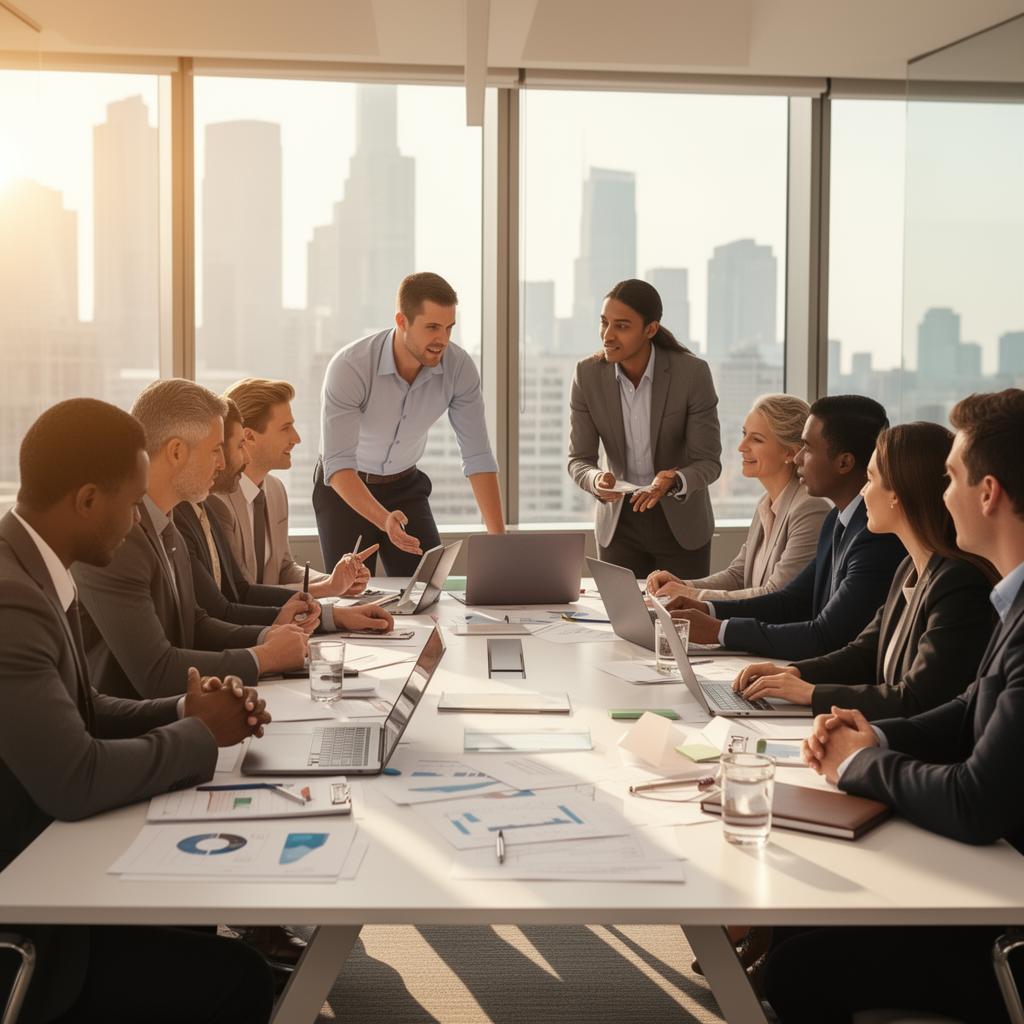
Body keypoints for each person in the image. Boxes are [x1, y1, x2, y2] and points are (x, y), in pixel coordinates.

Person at [0, 398, 275, 1024]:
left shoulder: (36, 569)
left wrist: (184, 704)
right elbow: (76, 779)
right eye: (129, 504)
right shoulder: (11, 602)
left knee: (197, 908)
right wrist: (199, 734)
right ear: (88, 499)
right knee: (239, 979)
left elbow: (85, 708)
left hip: (45, 863)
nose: (136, 521)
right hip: (29, 915)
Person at [763, 389, 1024, 1024]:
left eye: (953, 479)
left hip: (1002, 914)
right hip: (992, 876)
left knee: (797, 966)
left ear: (988, 493)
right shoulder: (1010, 603)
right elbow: (968, 708)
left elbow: (973, 801)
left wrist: (858, 764)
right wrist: (869, 736)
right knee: (793, 937)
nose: (943, 495)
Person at [732, 421, 997, 717]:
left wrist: (813, 693)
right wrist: (794, 673)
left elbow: (918, 698)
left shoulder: (958, 582)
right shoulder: (909, 567)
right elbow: (863, 653)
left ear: (897, 493)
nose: (863, 490)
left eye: (870, 480)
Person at [75, 379, 308, 700]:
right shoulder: (117, 535)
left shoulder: (166, 520)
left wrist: (269, 636)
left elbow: (193, 621)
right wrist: (264, 657)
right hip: (132, 728)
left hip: (177, 712)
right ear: (176, 452)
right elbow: (156, 672)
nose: (224, 463)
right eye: (215, 450)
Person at [667, 395, 906, 661]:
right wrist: (706, 608)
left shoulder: (874, 538)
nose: (799, 457)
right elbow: (790, 601)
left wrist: (720, 630)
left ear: (844, 463)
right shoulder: (836, 522)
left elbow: (826, 635)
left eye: (808, 448)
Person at [312, 271, 505, 574]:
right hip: (346, 488)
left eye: (448, 328)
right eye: (431, 327)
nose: (442, 339)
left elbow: (477, 455)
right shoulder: (351, 366)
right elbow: (337, 465)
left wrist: (500, 542)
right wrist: (384, 519)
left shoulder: (459, 368)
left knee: (427, 587)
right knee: (349, 596)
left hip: (405, 485)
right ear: (402, 322)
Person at [176, 398, 394, 635]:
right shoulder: (213, 505)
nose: (297, 438)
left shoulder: (270, 491)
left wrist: (334, 588)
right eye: (285, 428)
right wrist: (327, 593)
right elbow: (231, 603)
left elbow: (262, 580)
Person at [568, 278, 722, 579]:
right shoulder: (587, 375)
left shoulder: (692, 374)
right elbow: (578, 460)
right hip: (618, 523)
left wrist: (674, 480)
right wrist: (596, 478)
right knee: (621, 622)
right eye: (604, 323)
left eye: (622, 326)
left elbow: (709, 463)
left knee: (680, 620)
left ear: (650, 330)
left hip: (680, 524)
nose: (608, 335)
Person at [647, 394, 829, 602]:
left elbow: (775, 595)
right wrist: (682, 585)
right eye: (744, 434)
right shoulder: (766, 502)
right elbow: (738, 575)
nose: (741, 446)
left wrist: (691, 595)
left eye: (756, 439)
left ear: (790, 453)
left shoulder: (810, 509)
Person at [209, 379, 375, 597]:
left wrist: (339, 580)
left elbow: (284, 569)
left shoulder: (276, 490)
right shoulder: (217, 500)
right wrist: (327, 588)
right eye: (286, 428)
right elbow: (241, 592)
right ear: (248, 436)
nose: (296, 438)